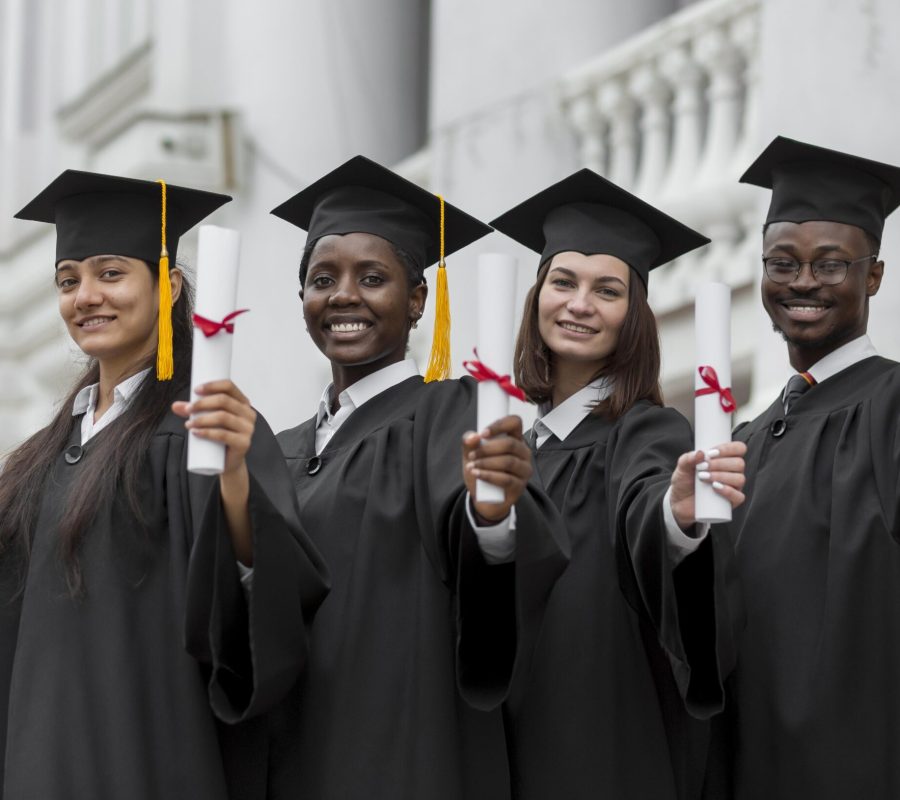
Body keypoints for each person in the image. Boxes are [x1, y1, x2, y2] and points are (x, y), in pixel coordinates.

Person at [0, 170, 329, 799]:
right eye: (69, 281)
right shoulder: (44, 455)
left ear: (169, 284)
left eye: (110, 273)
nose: (86, 296)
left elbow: (260, 600)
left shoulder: (205, 431)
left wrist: (234, 479)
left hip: (145, 757)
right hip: (38, 759)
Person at [267, 155, 568, 799]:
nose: (344, 295)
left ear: (417, 299)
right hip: (291, 752)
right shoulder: (278, 449)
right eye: (323, 279)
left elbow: (496, 554)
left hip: (405, 757)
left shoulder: (448, 414)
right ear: (302, 300)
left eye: (372, 277)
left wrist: (492, 516)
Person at [489, 168, 747, 800]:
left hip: (595, 740)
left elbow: (645, 503)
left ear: (634, 316)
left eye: (607, 290)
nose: (580, 304)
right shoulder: (516, 451)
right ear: (537, 296)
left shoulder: (645, 430)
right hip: (504, 737)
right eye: (564, 282)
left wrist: (675, 517)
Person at [701, 136, 900, 800]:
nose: (804, 282)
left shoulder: (892, 409)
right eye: (782, 262)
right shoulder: (745, 441)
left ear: (873, 275)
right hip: (746, 766)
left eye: (831, 263)